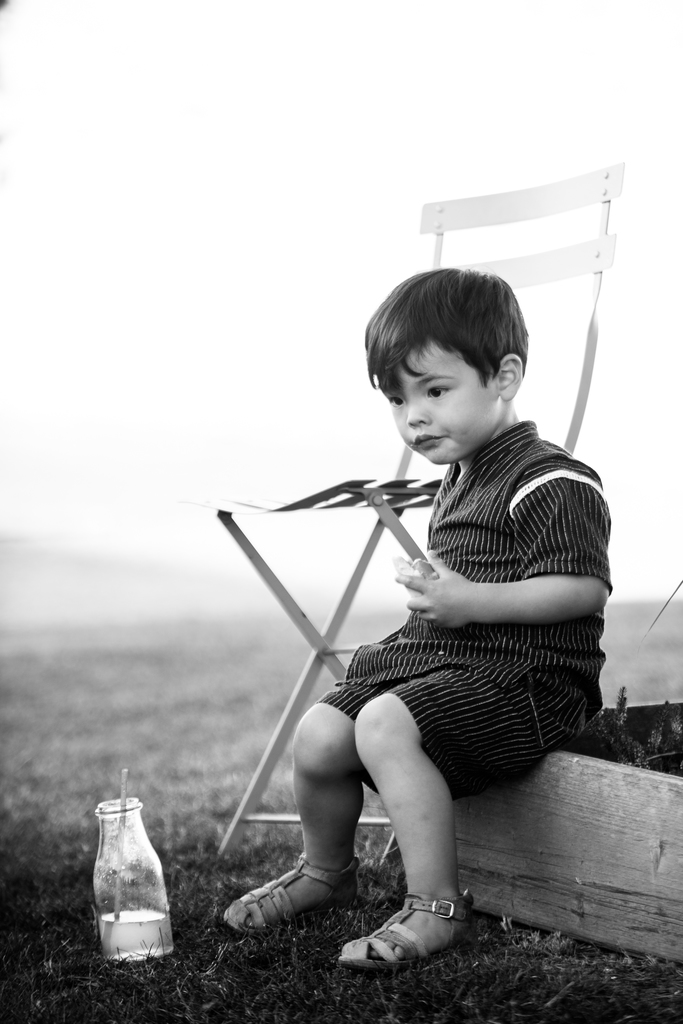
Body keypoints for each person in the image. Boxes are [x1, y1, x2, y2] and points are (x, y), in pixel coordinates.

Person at [223, 268, 611, 971]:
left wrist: (470, 601)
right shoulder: (461, 474)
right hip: (455, 665)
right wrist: (437, 592)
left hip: (529, 683)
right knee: (319, 733)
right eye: (399, 399)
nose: (414, 418)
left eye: (434, 391)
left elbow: (582, 588)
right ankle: (325, 873)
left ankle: (436, 905)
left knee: (382, 722)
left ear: (504, 375)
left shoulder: (551, 479)